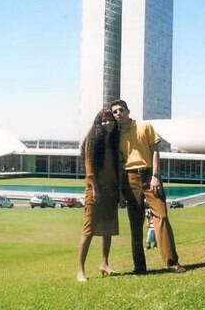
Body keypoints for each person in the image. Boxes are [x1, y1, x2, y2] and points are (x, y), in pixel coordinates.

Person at [110, 99, 186, 274]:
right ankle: (139, 267)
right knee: (135, 224)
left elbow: (155, 151)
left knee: (162, 217)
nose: (118, 114)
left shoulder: (145, 127)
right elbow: (120, 163)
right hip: (129, 179)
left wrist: (155, 176)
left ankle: (172, 262)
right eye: (115, 112)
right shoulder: (116, 136)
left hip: (149, 175)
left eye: (121, 110)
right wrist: (121, 190)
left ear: (128, 111)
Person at [77, 109, 120, 282]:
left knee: (108, 229)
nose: (108, 123)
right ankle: (80, 270)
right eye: (104, 120)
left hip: (111, 191)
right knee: (88, 231)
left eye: (110, 120)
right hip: (95, 191)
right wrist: (95, 190)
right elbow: (89, 170)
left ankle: (104, 263)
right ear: (98, 122)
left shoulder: (113, 141)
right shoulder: (92, 141)